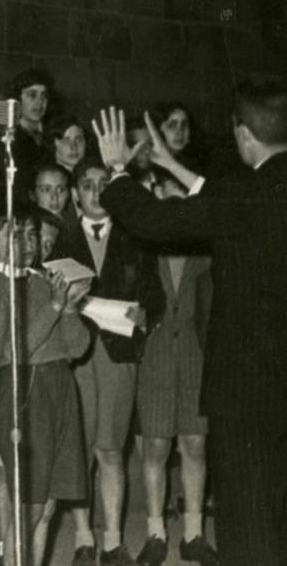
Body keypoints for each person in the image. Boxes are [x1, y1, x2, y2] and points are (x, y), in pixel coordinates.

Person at [93, 93, 287, 564]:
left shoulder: (245, 197)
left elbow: (156, 221)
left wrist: (117, 171)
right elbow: (225, 203)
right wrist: (171, 166)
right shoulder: (260, 191)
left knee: (246, 503)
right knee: (277, 497)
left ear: (243, 135)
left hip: (247, 376)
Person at [0, 202, 91, 566]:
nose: (27, 243)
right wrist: (54, 307)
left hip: (60, 387)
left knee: (48, 505)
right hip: (23, 392)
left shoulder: (43, 282)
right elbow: (10, 350)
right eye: (15, 234)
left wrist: (70, 308)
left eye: (32, 234)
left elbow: (78, 347)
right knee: (29, 508)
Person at [58, 157, 164, 566]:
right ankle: (83, 538)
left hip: (118, 356)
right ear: (75, 194)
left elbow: (154, 295)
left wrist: (145, 313)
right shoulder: (60, 239)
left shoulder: (136, 238)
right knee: (79, 450)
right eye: (87, 185)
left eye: (104, 184)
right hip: (76, 359)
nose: (96, 193)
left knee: (112, 450)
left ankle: (113, 541)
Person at [133, 173, 217, 566]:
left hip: (198, 360)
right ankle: (155, 533)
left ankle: (194, 534)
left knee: (195, 444)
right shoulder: (143, 250)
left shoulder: (208, 251)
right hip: (156, 358)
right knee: (155, 446)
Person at [6, 69, 53, 176]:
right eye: (32, 95)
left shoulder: (53, 133)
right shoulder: (9, 138)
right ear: (18, 99)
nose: (40, 102)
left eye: (44, 96)